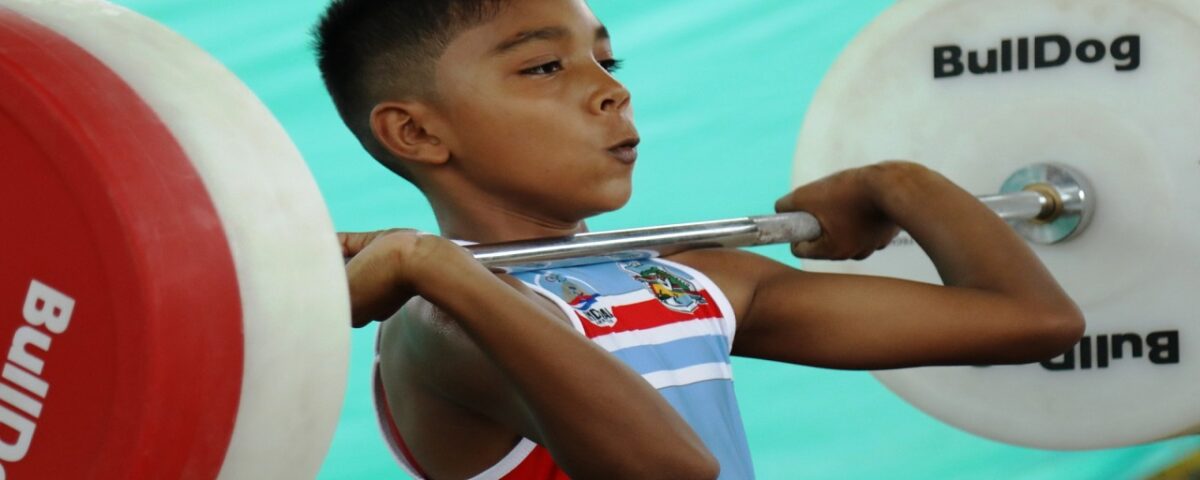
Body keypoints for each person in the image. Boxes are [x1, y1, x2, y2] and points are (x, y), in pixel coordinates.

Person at [315, 0, 1086, 478]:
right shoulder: (437, 324)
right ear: (416, 132)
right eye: (546, 66)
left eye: (606, 59)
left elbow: (1033, 321)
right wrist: (430, 265)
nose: (611, 89)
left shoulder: (690, 282)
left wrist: (900, 184)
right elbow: (669, 469)